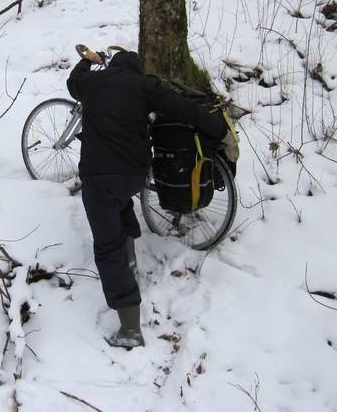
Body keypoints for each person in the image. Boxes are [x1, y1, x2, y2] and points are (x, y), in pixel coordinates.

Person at [66, 45, 237, 348]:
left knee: (107, 248)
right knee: (121, 205)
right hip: (134, 176)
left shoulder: (92, 82)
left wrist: (87, 61)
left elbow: (73, 82)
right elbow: (187, 110)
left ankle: (130, 329)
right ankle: (131, 266)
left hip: (99, 176)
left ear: (113, 66)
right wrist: (221, 132)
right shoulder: (145, 85)